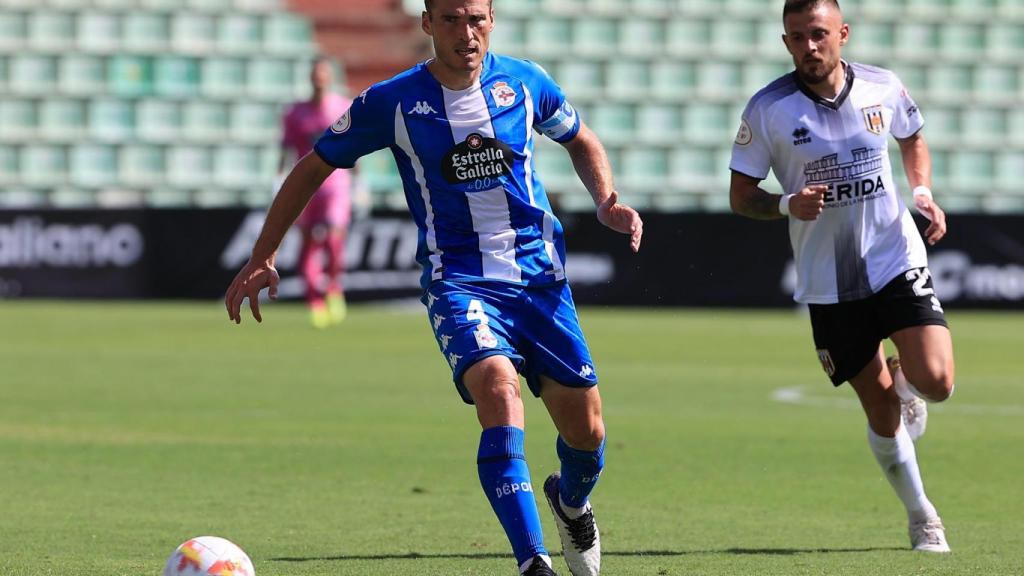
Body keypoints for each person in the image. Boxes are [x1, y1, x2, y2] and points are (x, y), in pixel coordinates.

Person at [224, 1, 643, 574]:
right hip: (459, 280)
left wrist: (606, 199)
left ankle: (570, 503)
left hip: (539, 282)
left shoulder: (525, 83)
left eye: (475, 18)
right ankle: (532, 562)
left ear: (491, 21)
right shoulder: (392, 102)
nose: (465, 32)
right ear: (427, 23)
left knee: (588, 432)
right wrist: (264, 253)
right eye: (450, 19)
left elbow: (580, 139)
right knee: (498, 392)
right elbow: (313, 165)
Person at [729, 0, 955, 553]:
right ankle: (922, 514)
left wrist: (921, 191)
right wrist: (786, 205)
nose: (810, 46)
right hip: (828, 282)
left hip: (894, 256)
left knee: (937, 382)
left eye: (819, 34)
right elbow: (740, 197)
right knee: (880, 411)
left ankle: (906, 379)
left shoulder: (883, 86)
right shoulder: (768, 109)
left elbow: (913, 136)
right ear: (786, 43)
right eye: (798, 37)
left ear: (843, 34)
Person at [280, 56, 353, 328]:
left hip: (336, 185)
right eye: (315, 74)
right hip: (306, 186)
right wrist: (279, 181)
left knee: (334, 240)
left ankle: (333, 286)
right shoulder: (295, 113)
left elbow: (354, 146)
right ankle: (314, 300)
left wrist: (359, 181)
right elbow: (286, 150)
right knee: (309, 243)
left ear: (330, 76)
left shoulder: (343, 107)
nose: (319, 78)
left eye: (323, 73)